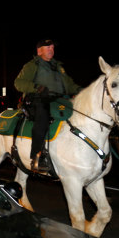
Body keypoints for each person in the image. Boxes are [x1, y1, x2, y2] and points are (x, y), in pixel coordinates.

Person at [14, 39, 81, 172]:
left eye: (52, 47)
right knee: (43, 117)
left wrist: (82, 91)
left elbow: (70, 85)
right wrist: (36, 87)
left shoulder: (58, 67)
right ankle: (36, 157)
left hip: (59, 100)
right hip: (38, 99)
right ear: (39, 51)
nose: (51, 49)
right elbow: (18, 83)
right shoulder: (32, 65)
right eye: (47, 47)